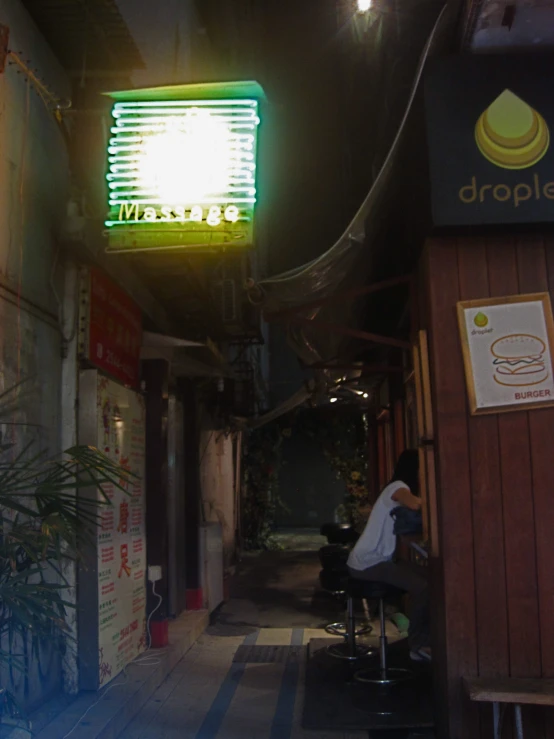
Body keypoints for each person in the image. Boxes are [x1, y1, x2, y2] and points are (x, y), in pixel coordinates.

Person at [347, 449, 431, 662]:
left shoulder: (395, 488)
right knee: (423, 587)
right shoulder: (397, 487)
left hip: (375, 560)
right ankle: (418, 645)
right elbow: (415, 504)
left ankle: (427, 639)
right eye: (423, 469)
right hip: (367, 562)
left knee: (430, 576)